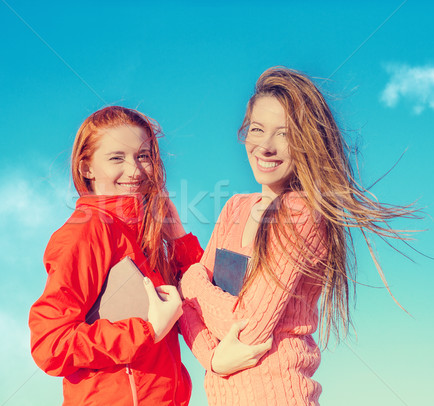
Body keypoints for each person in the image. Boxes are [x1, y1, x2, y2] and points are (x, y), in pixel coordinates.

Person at [179, 67, 419, 405]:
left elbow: (246, 326)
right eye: (258, 129)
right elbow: (185, 312)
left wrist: (190, 281)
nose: (266, 146)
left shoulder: (301, 213)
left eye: (285, 134)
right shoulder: (235, 207)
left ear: (308, 142)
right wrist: (214, 359)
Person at [28, 106, 204, 406]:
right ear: (87, 168)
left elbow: (204, 299)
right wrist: (147, 330)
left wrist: (177, 235)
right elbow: (50, 344)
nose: (135, 171)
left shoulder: (143, 236)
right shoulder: (86, 232)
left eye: (143, 156)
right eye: (116, 158)